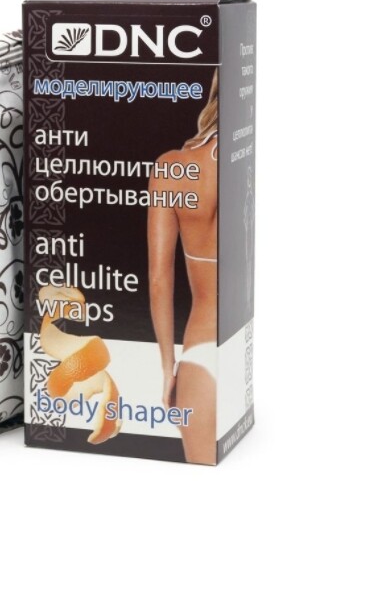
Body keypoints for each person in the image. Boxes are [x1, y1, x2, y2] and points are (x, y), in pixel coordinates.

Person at [147, 70, 218, 464]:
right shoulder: (249, 156)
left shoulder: (172, 168)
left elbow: (159, 280)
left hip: (201, 354)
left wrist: (168, 370)